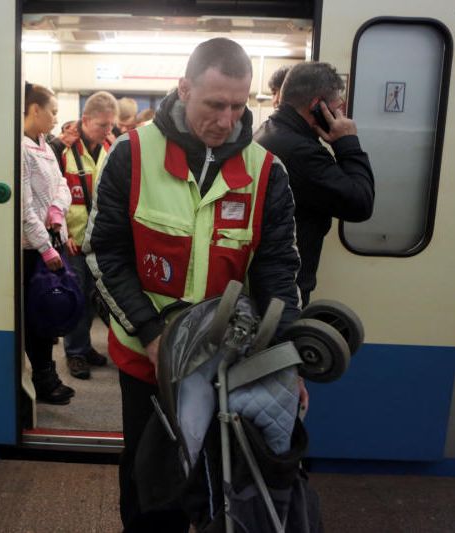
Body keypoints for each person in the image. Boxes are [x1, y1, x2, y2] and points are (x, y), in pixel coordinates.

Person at [82, 38, 301, 532]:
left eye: (238, 106)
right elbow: (102, 253)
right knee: (150, 482)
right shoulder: (131, 155)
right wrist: (153, 334)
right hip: (148, 359)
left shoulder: (267, 172)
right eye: (214, 104)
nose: (226, 121)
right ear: (184, 89)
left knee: (220, 486)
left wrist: (285, 362)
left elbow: (278, 274)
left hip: (229, 366)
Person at [255, 62, 374, 305]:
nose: (340, 115)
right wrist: (347, 142)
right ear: (317, 105)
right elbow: (360, 203)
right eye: (336, 107)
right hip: (286, 288)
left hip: (270, 282)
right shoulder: (302, 153)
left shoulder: (269, 132)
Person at [56, 91, 118, 380]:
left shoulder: (110, 146)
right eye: (102, 125)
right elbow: (52, 196)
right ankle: (75, 353)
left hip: (100, 240)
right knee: (77, 297)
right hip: (74, 240)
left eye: (110, 125)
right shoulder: (63, 149)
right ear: (85, 120)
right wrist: (62, 233)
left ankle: (85, 346)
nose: (108, 130)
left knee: (96, 298)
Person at [21, 83, 75, 405]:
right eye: (53, 111)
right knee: (38, 316)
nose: (56, 118)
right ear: (35, 109)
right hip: (33, 249)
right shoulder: (21, 150)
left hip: (52, 239)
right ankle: (44, 380)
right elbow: (24, 209)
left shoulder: (47, 145)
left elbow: (63, 185)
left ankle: (47, 375)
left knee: (49, 311)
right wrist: (45, 247)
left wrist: (58, 209)